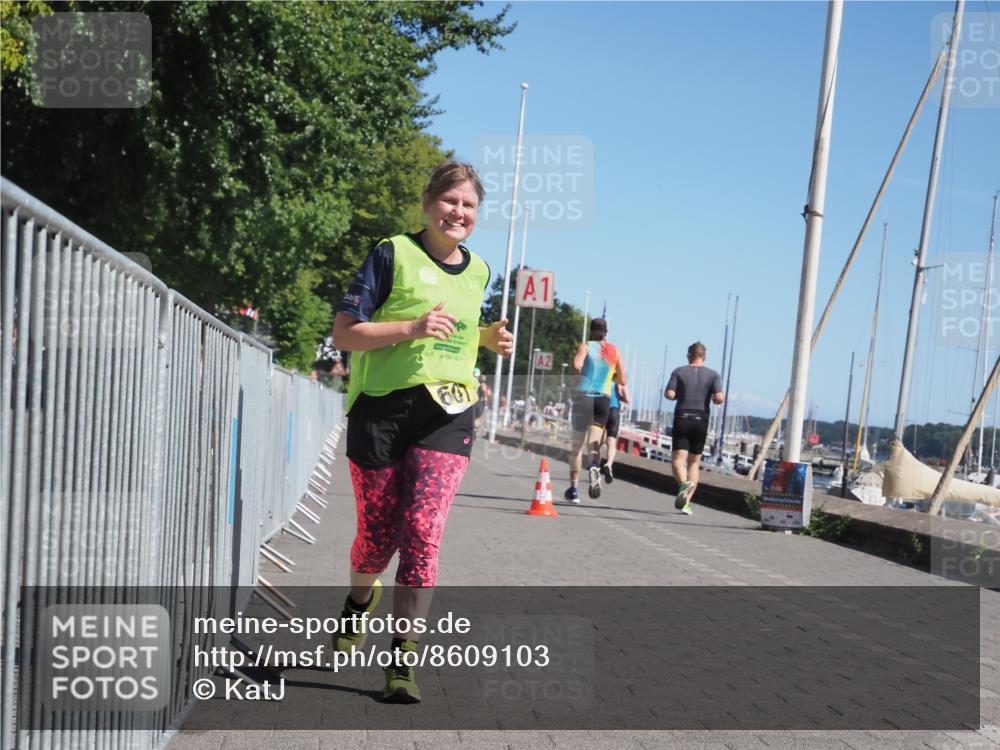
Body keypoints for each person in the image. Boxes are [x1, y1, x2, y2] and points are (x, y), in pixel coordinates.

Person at [332, 161, 513, 703]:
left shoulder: (478, 270)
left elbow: (452, 333)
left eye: (469, 206)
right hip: (381, 411)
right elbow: (345, 333)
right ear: (428, 202)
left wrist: (484, 339)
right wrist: (409, 328)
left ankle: (402, 662)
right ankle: (358, 602)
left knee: (424, 532)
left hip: (448, 413)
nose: (459, 212)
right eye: (450, 201)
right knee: (376, 539)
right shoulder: (391, 254)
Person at [565, 318, 626, 503]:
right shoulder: (615, 351)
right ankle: (594, 466)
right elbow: (623, 379)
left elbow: (576, 365)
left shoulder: (586, 346)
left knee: (576, 447)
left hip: (584, 396)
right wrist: (611, 376)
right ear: (606, 332)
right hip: (603, 399)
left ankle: (574, 490)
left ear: (591, 332)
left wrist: (578, 374)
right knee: (594, 443)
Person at [664, 341, 725, 515]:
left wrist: (676, 394)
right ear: (704, 356)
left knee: (677, 460)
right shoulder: (713, 375)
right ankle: (686, 504)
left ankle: (683, 483)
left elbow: (670, 394)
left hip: (682, 416)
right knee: (694, 463)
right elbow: (719, 397)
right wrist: (715, 399)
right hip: (701, 419)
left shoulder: (678, 372)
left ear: (689, 355)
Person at [599, 381, 630, 483]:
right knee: (611, 443)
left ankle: (595, 467)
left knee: (598, 442)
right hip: (614, 412)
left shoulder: (604, 377)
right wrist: (618, 396)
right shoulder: (620, 382)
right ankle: (609, 464)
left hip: (602, 409)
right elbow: (627, 399)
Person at [473, 368, 491, 436]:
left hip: (472, 402)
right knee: (478, 418)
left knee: (474, 418)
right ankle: (474, 431)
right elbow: (487, 392)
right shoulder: (481, 383)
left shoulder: (469, 381)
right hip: (478, 403)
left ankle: (474, 431)